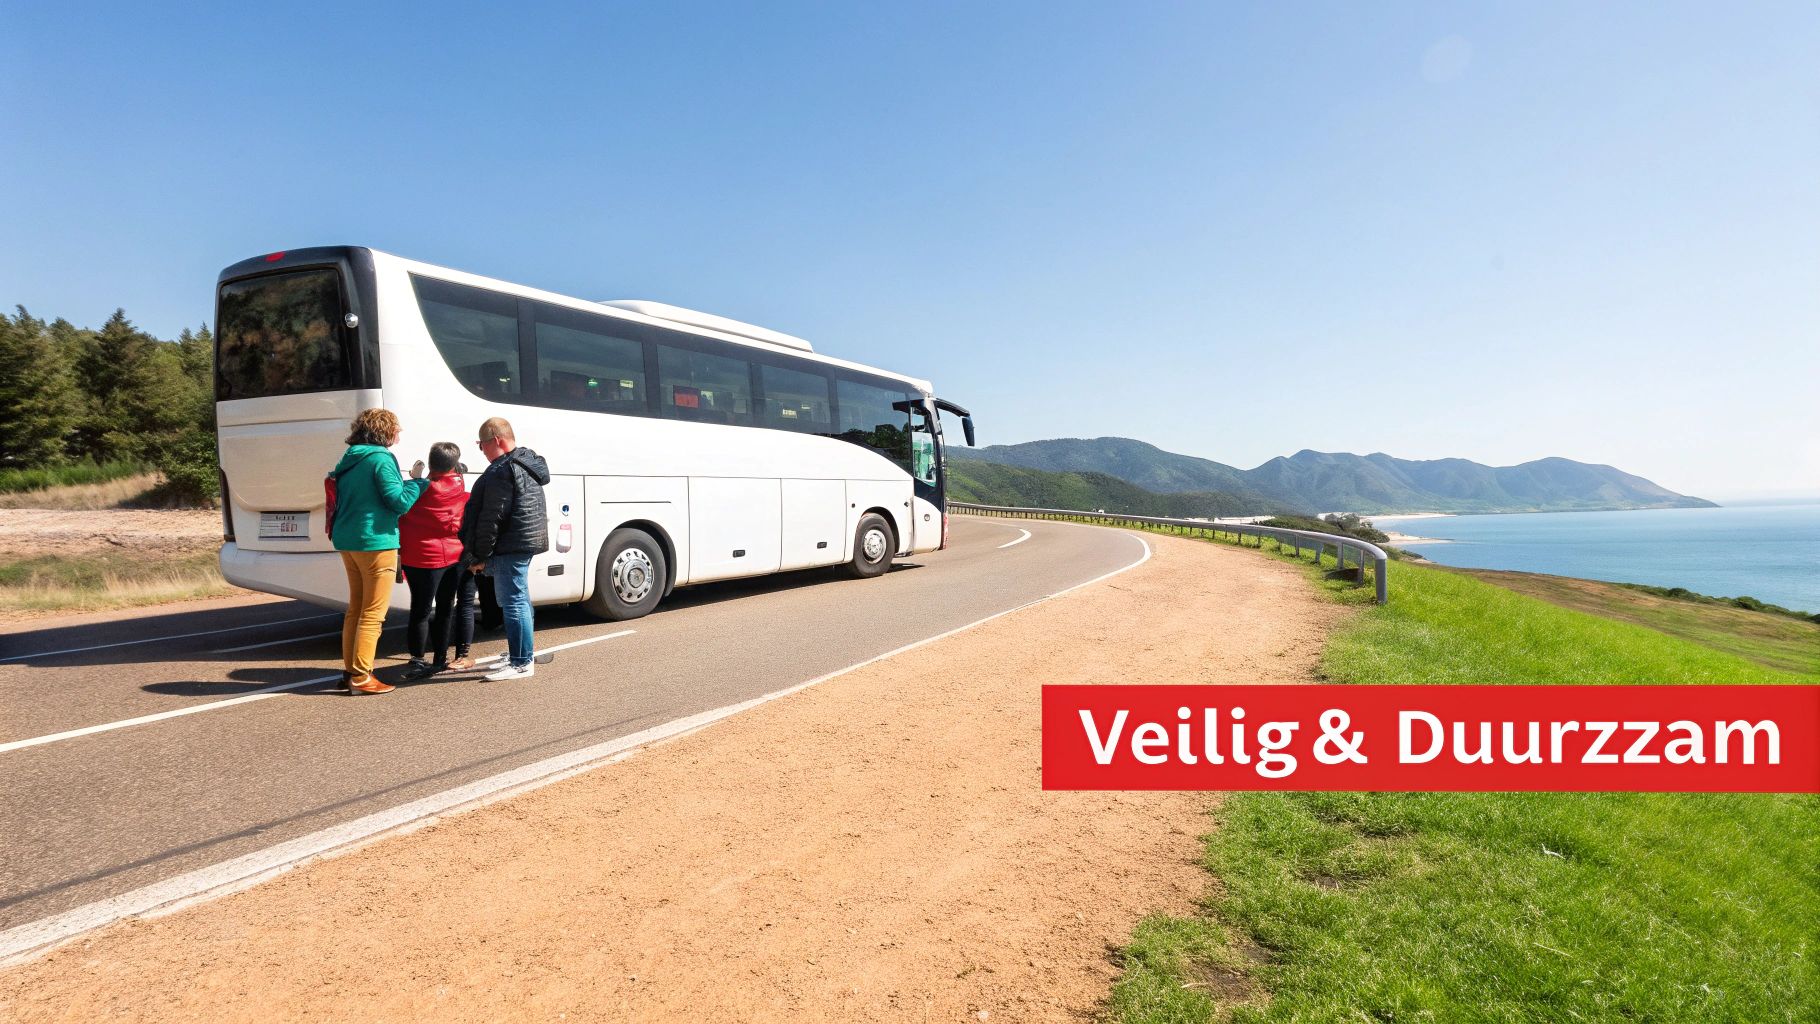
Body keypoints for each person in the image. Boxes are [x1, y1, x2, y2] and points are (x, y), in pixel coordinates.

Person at [329, 408, 427, 695]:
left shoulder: (349, 458)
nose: (400, 433)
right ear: (385, 431)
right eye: (397, 428)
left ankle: (350, 672)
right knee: (373, 613)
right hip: (376, 540)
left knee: (355, 609)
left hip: (347, 538)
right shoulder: (382, 459)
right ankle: (361, 677)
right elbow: (398, 502)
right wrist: (419, 482)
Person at [459, 416, 550, 680]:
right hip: (523, 541)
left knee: (513, 602)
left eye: (481, 445)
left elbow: (492, 517)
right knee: (519, 599)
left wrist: (479, 554)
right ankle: (521, 655)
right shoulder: (526, 462)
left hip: (511, 544)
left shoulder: (502, 469)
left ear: (496, 440)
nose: (482, 450)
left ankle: (521, 662)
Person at [397, 442, 479, 680]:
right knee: (446, 608)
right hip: (453, 555)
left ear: (431, 462)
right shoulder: (460, 488)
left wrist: (414, 477)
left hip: (419, 556)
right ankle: (440, 659)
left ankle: (417, 661)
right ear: (454, 465)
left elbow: (401, 505)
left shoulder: (417, 488)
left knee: (420, 610)